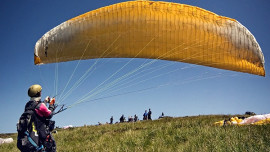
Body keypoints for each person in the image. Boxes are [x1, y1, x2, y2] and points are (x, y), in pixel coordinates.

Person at [18, 84, 56, 152]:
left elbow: (37, 108)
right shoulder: (40, 106)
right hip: (42, 132)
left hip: (33, 133)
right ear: (39, 93)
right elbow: (49, 114)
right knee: (51, 147)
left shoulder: (28, 104)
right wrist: (51, 105)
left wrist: (45, 101)